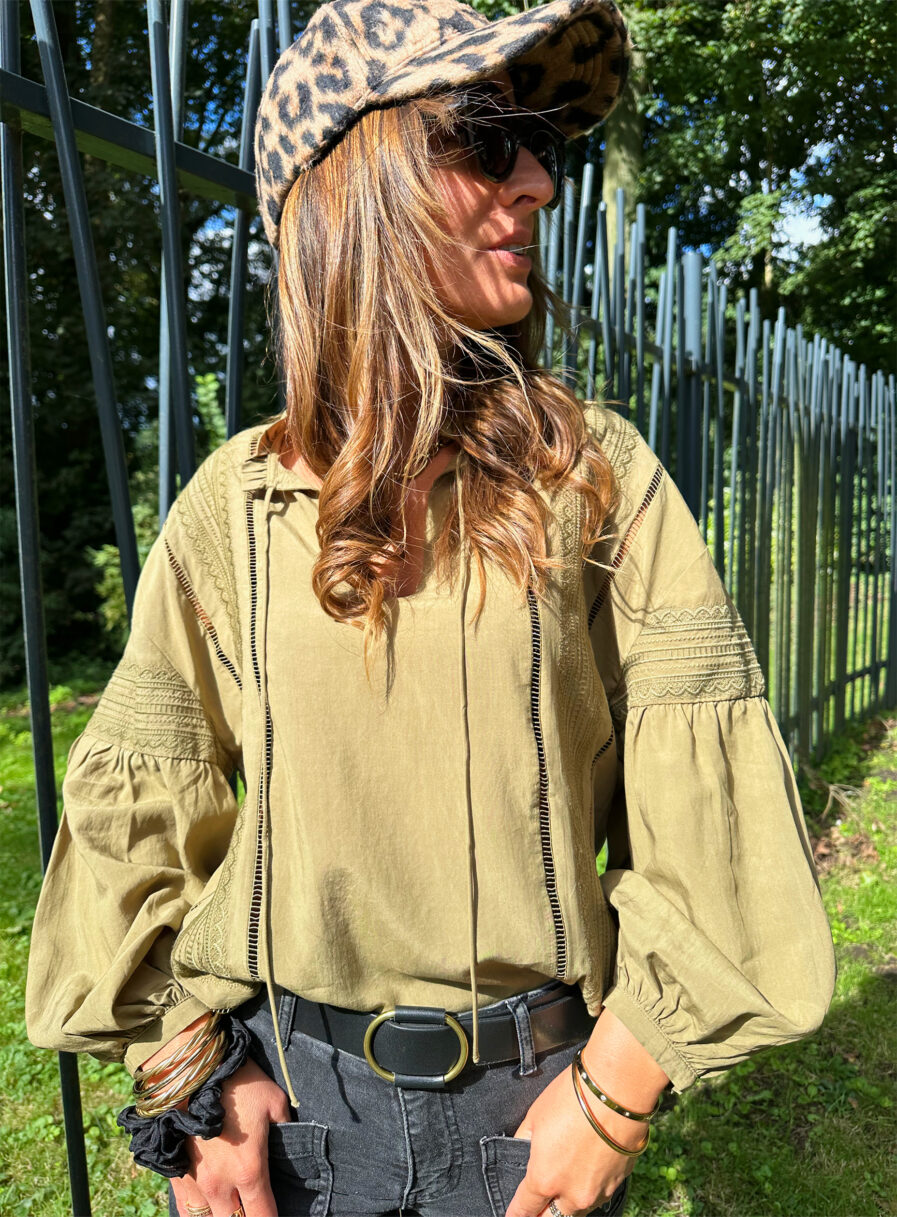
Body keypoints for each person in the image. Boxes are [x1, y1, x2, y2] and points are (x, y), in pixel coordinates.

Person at [25, 2, 836, 1215]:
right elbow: (138, 807)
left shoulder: (594, 478)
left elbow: (705, 816)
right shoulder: (234, 506)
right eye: (486, 136)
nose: (540, 183)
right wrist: (191, 1069)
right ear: (355, 183)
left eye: (541, 143)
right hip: (296, 1121)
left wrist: (618, 1082)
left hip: (537, 1119)